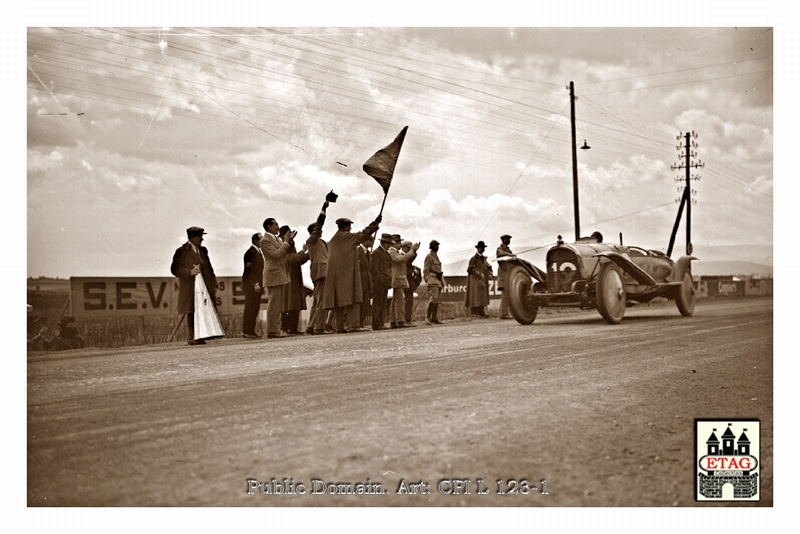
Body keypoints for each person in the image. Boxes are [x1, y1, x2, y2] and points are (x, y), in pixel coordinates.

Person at [322, 214, 382, 333]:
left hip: (335, 277)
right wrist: (375, 224)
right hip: (347, 275)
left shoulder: (334, 239)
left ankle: (339, 327)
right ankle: (353, 325)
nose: (350, 228)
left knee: (338, 302)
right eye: (349, 225)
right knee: (354, 299)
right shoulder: (347, 237)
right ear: (345, 227)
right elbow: (363, 235)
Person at [171, 226, 218, 345]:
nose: (202, 239)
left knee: (203, 309)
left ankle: (201, 335)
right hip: (190, 286)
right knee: (191, 310)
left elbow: (209, 267)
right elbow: (175, 269)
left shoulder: (203, 250)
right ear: (192, 237)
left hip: (205, 285)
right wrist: (189, 272)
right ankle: (192, 337)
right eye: (200, 236)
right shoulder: (181, 251)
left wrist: (213, 282)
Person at [261, 218, 296, 339]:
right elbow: (276, 254)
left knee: (277, 304)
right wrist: (286, 242)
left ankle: (275, 329)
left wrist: (289, 240)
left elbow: (284, 251)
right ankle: (272, 331)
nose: (278, 226)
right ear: (269, 226)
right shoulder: (265, 240)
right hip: (273, 275)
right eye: (275, 224)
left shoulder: (274, 239)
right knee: (274, 304)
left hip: (279, 275)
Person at [305, 201, 330, 335]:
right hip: (320, 272)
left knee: (317, 301)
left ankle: (311, 326)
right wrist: (323, 210)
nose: (320, 231)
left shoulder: (321, 242)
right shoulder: (312, 241)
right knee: (322, 300)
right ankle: (320, 327)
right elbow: (319, 224)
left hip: (321, 272)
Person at [279, 225, 309, 335]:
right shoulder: (283, 246)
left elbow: (297, 260)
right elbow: (292, 259)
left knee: (294, 305)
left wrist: (307, 255)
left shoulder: (290, 246)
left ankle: (292, 328)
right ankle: (286, 328)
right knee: (289, 305)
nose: (291, 235)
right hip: (289, 280)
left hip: (294, 279)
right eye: (288, 234)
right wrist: (303, 252)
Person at [389, 235, 419, 328]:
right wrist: (412, 251)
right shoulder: (392, 252)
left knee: (396, 300)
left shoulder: (395, 252)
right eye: (398, 242)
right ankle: (400, 320)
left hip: (399, 278)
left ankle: (394, 321)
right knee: (399, 301)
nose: (400, 244)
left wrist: (413, 252)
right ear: (394, 243)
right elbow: (402, 259)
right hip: (398, 279)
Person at [241, 232, 265, 338]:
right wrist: (255, 283)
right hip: (251, 285)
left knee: (255, 308)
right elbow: (249, 270)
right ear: (256, 241)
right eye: (261, 240)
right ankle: (247, 330)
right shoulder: (250, 253)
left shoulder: (259, 252)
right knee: (250, 307)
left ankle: (251, 330)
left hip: (258, 285)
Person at [370, 233, 394, 330]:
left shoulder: (386, 254)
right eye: (388, 243)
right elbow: (374, 270)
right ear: (383, 243)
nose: (389, 245)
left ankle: (380, 322)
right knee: (377, 303)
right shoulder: (376, 253)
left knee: (382, 303)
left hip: (384, 283)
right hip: (378, 283)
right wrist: (382, 280)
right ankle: (376, 323)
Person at [465, 240, 492, 317]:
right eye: (480, 248)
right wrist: (479, 274)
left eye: (483, 248)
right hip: (475, 280)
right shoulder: (473, 259)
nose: (482, 249)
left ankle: (481, 312)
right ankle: (476, 313)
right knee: (476, 296)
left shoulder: (484, 259)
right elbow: (469, 269)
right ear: (477, 248)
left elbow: (489, 267)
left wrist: (490, 273)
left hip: (482, 281)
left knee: (482, 296)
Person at [423, 239, 444, 325]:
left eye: (437, 245)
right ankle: (427, 317)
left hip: (438, 279)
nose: (437, 247)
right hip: (432, 279)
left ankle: (434, 317)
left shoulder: (435, 256)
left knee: (437, 300)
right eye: (436, 246)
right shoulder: (429, 256)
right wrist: (427, 279)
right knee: (433, 299)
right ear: (432, 247)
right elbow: (425, 270)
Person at [356, 234, 374, 331]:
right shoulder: (357, 251)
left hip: (366, 283)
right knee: (359, 303)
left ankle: (361, 323)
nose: (372, 243)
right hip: (360, 282)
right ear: (366, 241)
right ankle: (357, 323)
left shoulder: (368, 253)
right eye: (371, 241)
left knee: (365, 304)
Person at [402, 240, 422, 326]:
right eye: (408, 248)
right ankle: (405, 319)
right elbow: (405, 268)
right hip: (404, 280)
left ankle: (407, 319)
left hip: (408, 281)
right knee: (407, 301)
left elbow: (410, 259)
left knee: (409, 301)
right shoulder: (402, 256)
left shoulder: (405, 256)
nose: (410, 249)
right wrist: (412, 272)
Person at [496, 234, 515, 320]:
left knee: (507, 294)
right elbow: (501, 254)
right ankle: (503, 314)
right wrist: (511, 255)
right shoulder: (499, 249)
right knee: (505, 294)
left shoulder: (508, 250)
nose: (508, 241)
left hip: (508, 275)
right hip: (504, 275)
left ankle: (505, 313)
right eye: (506, 239)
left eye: (509, 239)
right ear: (503, 240)